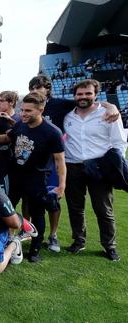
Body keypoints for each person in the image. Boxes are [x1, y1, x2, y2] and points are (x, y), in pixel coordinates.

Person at [0, 92, 66, 262]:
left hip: (37, 178)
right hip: (15, 176)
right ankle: (6, 240)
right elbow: (7, 138)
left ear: (41, 110)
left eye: (28, 110)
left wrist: (61, 186)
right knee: (7, 209)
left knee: (37, 213)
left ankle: (35, 247)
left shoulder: (52, 132)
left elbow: (60, 161)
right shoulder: (20, 124)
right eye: (22, 110)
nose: (23, 114)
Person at [63, 79, 127, 261]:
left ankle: (109, 246)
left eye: (88, 94)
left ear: (95, 95)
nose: (83, 97)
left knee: (103, 208)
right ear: (74, 96)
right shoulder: (68, 116)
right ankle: (79, 241)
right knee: (75, 208)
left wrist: (111, 166)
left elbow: (119, 143)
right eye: (80, 94)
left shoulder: (108, 114)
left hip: (99, 167)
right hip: (73, 166)